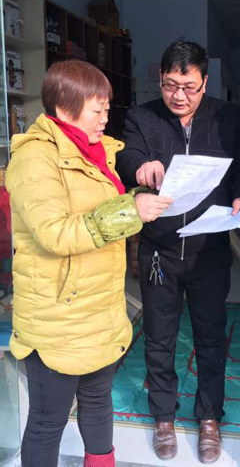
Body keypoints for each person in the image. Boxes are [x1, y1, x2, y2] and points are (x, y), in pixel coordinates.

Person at [5, 60, 173, 467]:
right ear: (65, 109)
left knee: (98, 405)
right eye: (97, 110)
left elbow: (97, 211)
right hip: (58, 318)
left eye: (107, 109)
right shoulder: (35, 159)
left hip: (99, 311)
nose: (105, 119)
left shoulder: (98, 153)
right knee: (48, 422)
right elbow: (56, 233)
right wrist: (131, 211)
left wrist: (137, 197)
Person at [116, 39, 240, 463]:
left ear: (205, 82)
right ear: (160, 79)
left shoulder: (229, 118)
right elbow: (127, 157)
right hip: (159, 251)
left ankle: (210, 417)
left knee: (211, 337)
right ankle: (163, 417)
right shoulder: (141, 117)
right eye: (169, 85)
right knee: (159, 338)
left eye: (189, 87)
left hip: (209, 250)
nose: (178, 96)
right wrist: (139, 167)